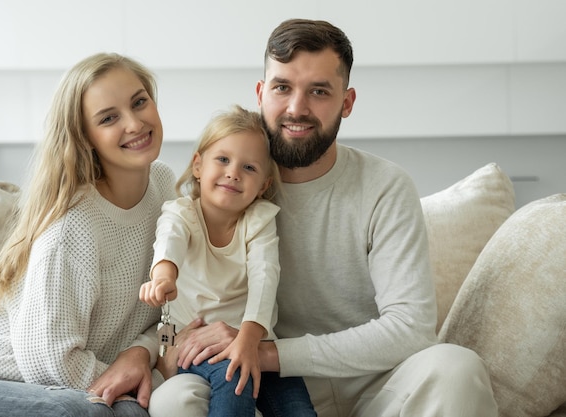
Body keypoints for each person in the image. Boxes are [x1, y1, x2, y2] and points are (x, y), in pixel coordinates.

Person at [149, 18, 499, 417]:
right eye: (282, 88)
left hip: (377, 388)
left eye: (318, 91)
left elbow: (410, 328)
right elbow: (167, 302)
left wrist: (267, 352)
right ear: (262, 93)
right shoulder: (227, 189)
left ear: (347, 102)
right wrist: (148, 354)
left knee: (457, 368)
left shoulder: (385, 186)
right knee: (173, 399)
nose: (297, 108)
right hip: (264, 392)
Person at [0, 52, 176, 417]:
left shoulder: (163, 185)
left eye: (139, 101)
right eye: (109, 118)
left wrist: (140, 353)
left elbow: (170, 310)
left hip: (32, 376)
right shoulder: (74, 226)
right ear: (85, 138)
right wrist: (147, 386)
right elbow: (47, 359)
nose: (134, 123)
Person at [140, 105, 316, 417]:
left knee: (295, 405)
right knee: (231, 377)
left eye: (249, 168)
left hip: (253, 338)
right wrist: (163, 277)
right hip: (198, 345)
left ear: (263, 186)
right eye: (223, 159)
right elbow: (170, 243)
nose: (233, 172)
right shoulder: (181, 213)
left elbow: (265, 277)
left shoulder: (259, 220)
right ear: (198, 165)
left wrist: (249, 340)